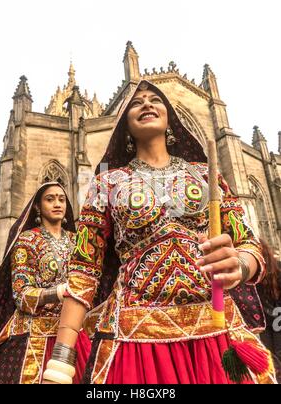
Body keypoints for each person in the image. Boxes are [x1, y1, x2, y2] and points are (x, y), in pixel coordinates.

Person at [43, 80, 276, 385]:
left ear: (170, 120)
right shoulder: (106, 183)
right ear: (124, 125)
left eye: (155, 100)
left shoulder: (207, 175)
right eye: (136, 103)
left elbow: (247, 242)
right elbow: (84, 270)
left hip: (216, 330)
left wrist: (241, 265)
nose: (147, 104)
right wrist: (61, 360)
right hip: (136, 340)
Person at [0, 182, 91, 384]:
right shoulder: (27, 241)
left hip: (74, 336)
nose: (57, 203)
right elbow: (21, 295)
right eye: (50, 199)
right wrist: (58, 292)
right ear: (38, 207)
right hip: (35, 338)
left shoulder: (78, 242)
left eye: (61, 199)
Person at [257, 239, 281, 383]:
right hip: (276, 318)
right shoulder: (277, 269)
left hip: (265, 321)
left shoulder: (254, 277)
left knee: (271, 358)